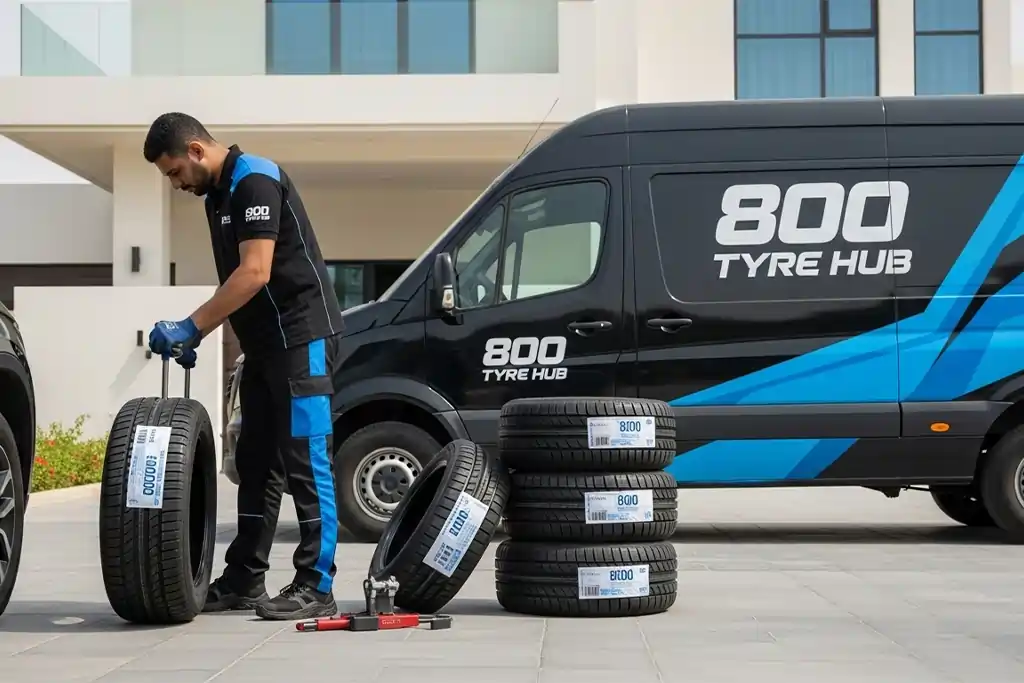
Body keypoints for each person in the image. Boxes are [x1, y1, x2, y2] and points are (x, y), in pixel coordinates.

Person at [142, 113, 345, 621]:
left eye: (173, 173)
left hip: (303, 339)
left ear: (194, 150)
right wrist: (211, 333)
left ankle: (316, 584)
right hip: (263, 348)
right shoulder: (216, 196)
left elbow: (254, 271)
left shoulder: (254, 178)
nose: (175, 184)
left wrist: (193, 326)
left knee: (306, 459)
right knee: (255, 462)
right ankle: (244, 578)